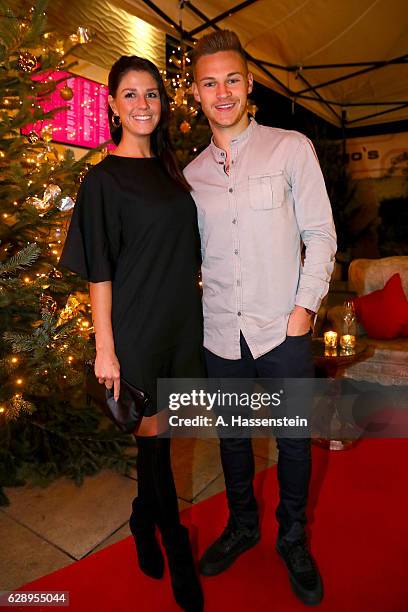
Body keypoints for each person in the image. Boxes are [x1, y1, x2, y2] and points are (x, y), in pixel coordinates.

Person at [184, 31, 337, 606]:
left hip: (283, 329)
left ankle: (292, 537)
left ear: (249, 85)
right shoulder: (193, 175)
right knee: (232, 438)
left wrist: (303, 309)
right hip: (221, 331)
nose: (221, 92)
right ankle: (243, 525)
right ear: (196, 93)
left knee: (294, 442)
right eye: (208, 82)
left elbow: (319, 233)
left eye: (231, 79)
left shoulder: (290, 147)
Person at [60, 55, 204, 612]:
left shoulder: (173, 171)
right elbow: (100, 268)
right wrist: (105, 349)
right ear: (114, 104)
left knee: (158, 448)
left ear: (161, 105)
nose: (142, 104)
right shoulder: (101, 180)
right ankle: (176, 549)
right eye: (130, 94)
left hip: (181, 327)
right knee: (158, 450)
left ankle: (142, 521)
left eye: (151, 94)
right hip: (138, 332)